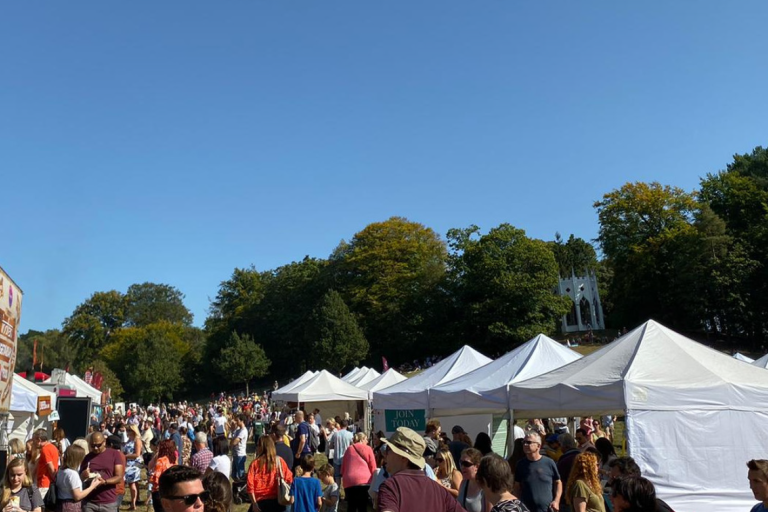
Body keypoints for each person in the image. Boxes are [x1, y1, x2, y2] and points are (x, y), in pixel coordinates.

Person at [377, 427, 465, 512]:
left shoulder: (391, 486)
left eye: (389, 449)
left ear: (403, 456)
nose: (385, 454)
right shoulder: (439, 490)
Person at [513, 432, 562, 512]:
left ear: (538, 446)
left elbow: (558, 482)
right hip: (526, 509)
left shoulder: (549, 462)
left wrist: (556, 501)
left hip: (547, 509)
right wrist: (517, 504)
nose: (525, 445)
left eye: (528, 442)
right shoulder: (520, 464)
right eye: (524, 442)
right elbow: (517, 487)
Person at [247, 435, 294, 512]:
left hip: (260, 502)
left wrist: (254, 504)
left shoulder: (254, 464)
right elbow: (289, 479)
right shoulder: (279, 461)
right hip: (277, 501)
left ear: (262, 447)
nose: (257, 448)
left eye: (258, 445)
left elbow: (250, 486)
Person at [79, 432, 124, 512]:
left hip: (108, 502)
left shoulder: (114, 454)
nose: (95, 448)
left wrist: (105, 482)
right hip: (90, 502)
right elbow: (79, 478)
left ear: (104, 442)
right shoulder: (87, 457)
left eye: (98, 445)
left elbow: (119, 477)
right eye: (93, 446)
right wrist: (83, 475)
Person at [55, 445, 104, 512]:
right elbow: (77, 496)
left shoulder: (61, 470)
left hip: (61, 504)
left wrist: (81, 477)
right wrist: (93, 486)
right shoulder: (72, 474)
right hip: (71, 506)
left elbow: (68, 486)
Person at [341, 433, 376, 512]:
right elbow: (373, 466)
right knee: (362, 507)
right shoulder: (368, 449)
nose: (367, 441)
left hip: (349, 481)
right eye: (366, 439)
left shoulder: (349, 449)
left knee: (351, 506)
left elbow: (343, 467)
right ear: (362, 439)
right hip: (364, 480)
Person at [149, 440, 177, 512]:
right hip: (171, 489)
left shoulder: (161, 460)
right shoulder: (174, 459)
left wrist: (151, 477)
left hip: (159, 491)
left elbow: (156, 478)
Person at [458, 448, 489, 512]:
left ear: (477, 467)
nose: (462, 467)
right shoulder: (463, 483)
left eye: (466, 464)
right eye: (461, 463)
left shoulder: (486, 487)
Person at [33, 429, 59, 500]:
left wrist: (54, 480)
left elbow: (50, 466)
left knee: (39, 506)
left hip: (44, 483)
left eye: (34, 440)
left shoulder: (45, 449)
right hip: (48, 483)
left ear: (39, 439)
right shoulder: (53, 447)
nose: (33, 442)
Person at [123, 426, 143, 510]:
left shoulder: (137, 440)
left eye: (129, 430)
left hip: (133, 464)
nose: (127, 432)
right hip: (128, 463)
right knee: (134, 483)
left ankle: (133, 504)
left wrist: (125, 456)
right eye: (127, 430)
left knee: (131, 483)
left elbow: (137, 454)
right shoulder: (129, 440)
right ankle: (136, 499)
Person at [330, 421, 353, 487]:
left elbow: (331, 446)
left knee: (337, 476)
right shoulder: (350, 434)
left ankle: (337, 492)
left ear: (340, 425)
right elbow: (352, 445)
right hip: (346, 458)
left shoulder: (335, 434)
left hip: (336, 457)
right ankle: (346, 490)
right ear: (347, 426)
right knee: (346, 475)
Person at [229, 415, 248, 480]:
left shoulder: (243, 431)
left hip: (240, 454)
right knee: (234, 474)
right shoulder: (238, 430)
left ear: (242, 421)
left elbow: (235, 441)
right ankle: (237, 487)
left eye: (237, 420)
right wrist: (232, 430)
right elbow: (232, 439)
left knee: (241, 474)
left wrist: (231, 444)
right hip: (235, 454)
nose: (236, 422)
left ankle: (242, 488)